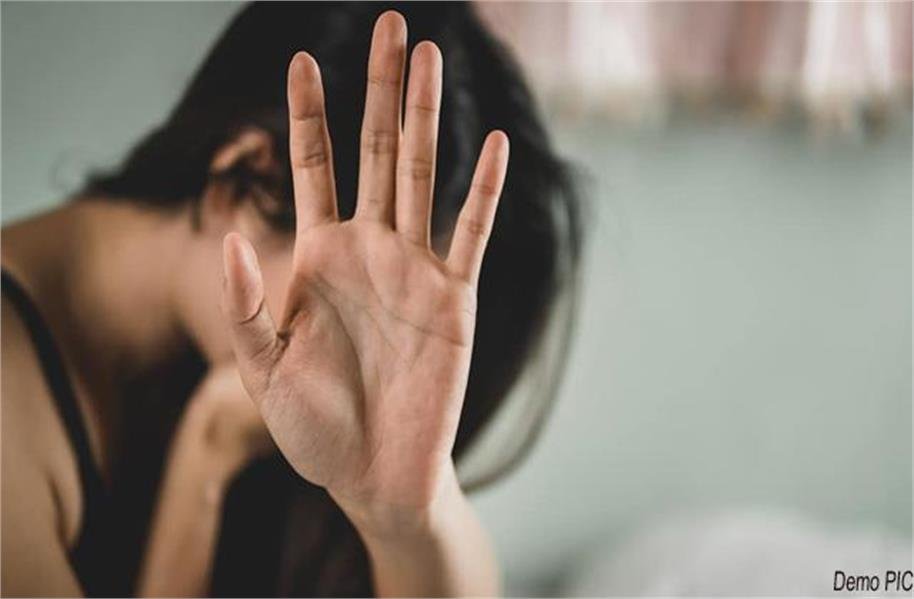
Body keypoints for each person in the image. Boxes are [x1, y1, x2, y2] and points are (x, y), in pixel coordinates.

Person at [1, 2, 581, 596]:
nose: (369, 359)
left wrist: (406, 519)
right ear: (246, 175)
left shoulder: (229, 399)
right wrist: (202, 471)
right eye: (365, 294)